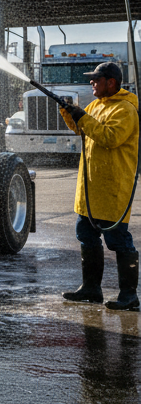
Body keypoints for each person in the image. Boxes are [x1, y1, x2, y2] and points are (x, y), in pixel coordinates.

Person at [60, 61, 139, 311]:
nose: (91, 82)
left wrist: (82, 117)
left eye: (96, 79)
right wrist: (69, 113)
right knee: (86, 237)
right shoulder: (96, 105)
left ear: (111, 82)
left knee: (118, 241)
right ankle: (91, 289)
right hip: (90, 190)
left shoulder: (125, 109)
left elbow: (109, 137)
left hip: (112, 191)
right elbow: (83, 129)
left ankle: (129, 296)